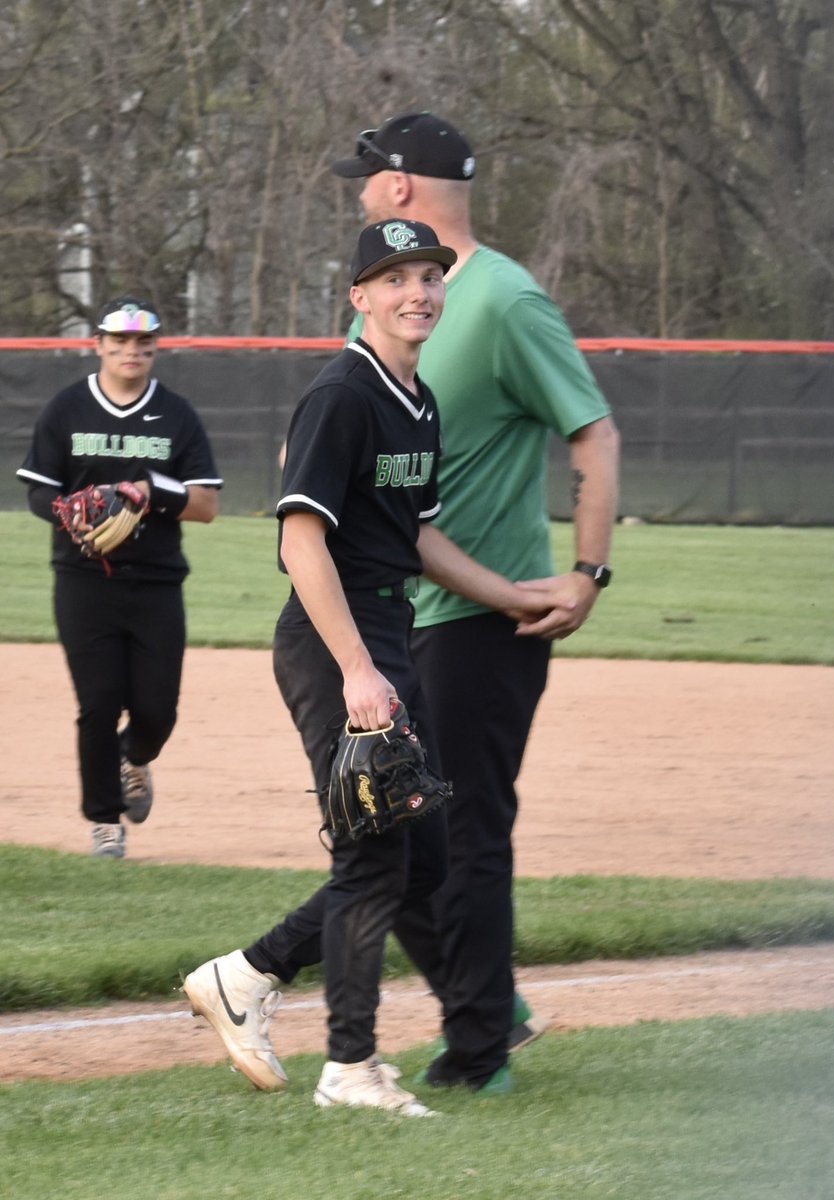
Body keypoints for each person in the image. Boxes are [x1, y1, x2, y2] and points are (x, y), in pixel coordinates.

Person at [183, 220, 560, 1115]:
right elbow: (300, 535)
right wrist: (356, 670)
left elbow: (416, 535)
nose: (418, 292)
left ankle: (246, 974)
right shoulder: (343, 394)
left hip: (389, 636)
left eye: (430, 275)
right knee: (373, 857)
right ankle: (350, 1067)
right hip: (334, 643)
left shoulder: (416, 399)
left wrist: (510, 597)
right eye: (395, 279)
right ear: (360, 297)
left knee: (421, 857)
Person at [330, 113, 621, 1094]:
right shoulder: (396, 299)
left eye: (370, 179)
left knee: (466, 830)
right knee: (392, 826)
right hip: (395, 613)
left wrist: (587, 574)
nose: (362, 191)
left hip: (488, 619)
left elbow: (596, 434)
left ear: (403, 187)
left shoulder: (501, 299)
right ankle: (482, 989)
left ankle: (479, 1048)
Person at [17, 296, 222, 859]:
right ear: (100, 344)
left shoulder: (176, 415)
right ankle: (105, 821)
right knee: (99, 702)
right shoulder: (68, 408)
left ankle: (135, 757)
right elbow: (37, 487)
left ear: (155, 348)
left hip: (156, 581)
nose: (131, 351)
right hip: (83, 580)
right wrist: (63, 510)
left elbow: (205, 505)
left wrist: (151, 491)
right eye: (120, 341)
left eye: (142, 342)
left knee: (158, 709)